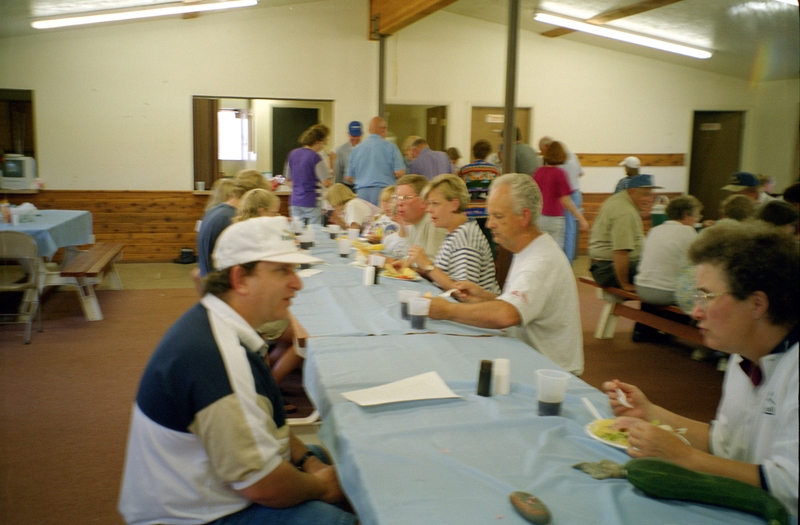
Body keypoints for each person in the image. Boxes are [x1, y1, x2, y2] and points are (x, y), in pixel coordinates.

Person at [119, 216, 357, 525]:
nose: (297, 282)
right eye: (282, 270)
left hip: (204, 483)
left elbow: (265, 427)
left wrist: (308, 462)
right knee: (335, 517)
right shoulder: (219, 357)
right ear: (239, 279)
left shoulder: (219, 323)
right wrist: (323, 486)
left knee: (328, 460)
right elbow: (264, 485)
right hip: (189, 516)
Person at [604, 221, 798, 517]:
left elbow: (788, 486)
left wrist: (686, 458)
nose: (695, 312)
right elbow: (726, 444)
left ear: (757, 303)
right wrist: (653, 413)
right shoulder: (742, 355)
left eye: (707, 296)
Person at [427, 173, 584, 375]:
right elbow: (526, 306)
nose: (489, 223)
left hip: (550, 372)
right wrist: (485, 297)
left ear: (524, 217)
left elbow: (507, 315)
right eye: (490, 215)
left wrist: (447, 311)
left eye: (498, 216)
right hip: (533, 359)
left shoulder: (541, 261)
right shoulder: (529, 249)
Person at [404, 174, 499, 294]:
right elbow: (447, 278)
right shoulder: (456, 232)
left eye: (435, 203)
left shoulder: (465, 238)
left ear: (454, 204)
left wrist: (428, 265)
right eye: (429, 204)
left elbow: (464, 293)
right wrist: (419, 269)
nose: (429, 209)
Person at [588, 174, 660, 291]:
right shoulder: (625, 213)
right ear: (632, 192)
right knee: (664, 272)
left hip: (603, 267)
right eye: (645, 195)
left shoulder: (619, 201)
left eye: (651, 195)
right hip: (608, 270)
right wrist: (625, 285)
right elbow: (621, 252)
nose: (649, 200)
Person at [196, 170, 269, 277]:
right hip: (221, 286)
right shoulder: (232, 219)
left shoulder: (215, 210)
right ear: (255, 195)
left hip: (210, 280)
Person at [634, 195, 702, 305]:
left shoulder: (654, 230)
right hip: (666, 293)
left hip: (642, 288)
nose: (696, 221)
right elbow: (698, 263)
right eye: (697, 216)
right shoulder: (688, 232)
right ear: (685, 215)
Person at [531, 141, 589, 251]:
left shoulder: (538, 172)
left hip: (538, 218)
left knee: (539, 251)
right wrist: (581, 218)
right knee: (555, 253)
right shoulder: (560, 173)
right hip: (555, 219)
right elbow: (566, 200)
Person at [542, 137, 585, 265]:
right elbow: (581, 173)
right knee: (570, 231)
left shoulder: (543, 171)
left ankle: (564, 263)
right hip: (574, 192)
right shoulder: (573, 156)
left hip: (558, 202)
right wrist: (581, 218)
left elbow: (563, 198)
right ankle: (567, 263)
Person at [346, 117, 406, 206]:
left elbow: (349, 177)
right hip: (384, 192)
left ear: (369, 130)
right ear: (384, 129)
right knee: (383, 218)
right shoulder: (391, 147)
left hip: (361, 193)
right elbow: (400, 172)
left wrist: (363, 178)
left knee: (364, 219)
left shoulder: (356, 149)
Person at [388, 174, 448, 261]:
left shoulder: (434, 224)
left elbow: (433, 268)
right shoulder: (413, 223)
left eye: (406, 197)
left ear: (423, 201)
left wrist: (391, 261)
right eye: (397, 198)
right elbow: (410, 261)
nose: (399, 203)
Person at [285, 124, 333, 225]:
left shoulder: (292, 154)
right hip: (311, 200)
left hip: (295, 200)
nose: (323, 146)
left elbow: (288, 180)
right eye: (323, 143)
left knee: (297, 230)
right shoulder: (315, 157)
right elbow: (326, 183)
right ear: (316, 142)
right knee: (315, 231)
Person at [334, 121, 362, 187]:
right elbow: (338, 171)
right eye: (353, 136)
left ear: (361, 135)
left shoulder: (366, 149)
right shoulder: (341, 150)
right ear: (348, 134)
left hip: (362, 186)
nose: (355, 138)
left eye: (357, 136)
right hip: (347, 186)